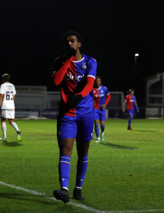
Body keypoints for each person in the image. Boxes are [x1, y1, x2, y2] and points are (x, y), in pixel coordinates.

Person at [52, 31, 97, 203]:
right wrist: (68, 61)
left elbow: (90, 84)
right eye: (67, 42)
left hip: (86, 113)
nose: (69, 44)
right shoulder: (59, 61)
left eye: (72, 41)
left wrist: (79, 96)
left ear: (79, 44)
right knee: (65, 151)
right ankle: (64, 190)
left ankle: (78, 188)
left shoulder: (91, 61)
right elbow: (56, 81)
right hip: (67, 113)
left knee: (83, 152)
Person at [0, 73, 21, 141]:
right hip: (12, 106)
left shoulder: (3, 85)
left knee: (3, 120)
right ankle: (18, 130)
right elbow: (14, 96)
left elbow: (1, 95)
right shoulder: (12, 85)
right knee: (11, 121)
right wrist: (11, 102)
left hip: (5, 106)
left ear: (3, 79)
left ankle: (4, 137)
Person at [93, 76, 111, 142]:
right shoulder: (93, 89)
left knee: (102, 125)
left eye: (99, 81)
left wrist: (105, 104)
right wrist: (92, 102)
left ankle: (102, 133)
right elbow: (90, 97)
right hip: (95, 109)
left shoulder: (104, 88)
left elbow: (109, 96)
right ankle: (98, 138)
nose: (98, 82)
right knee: (96, 123)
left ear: (100, 82)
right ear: (95, 82)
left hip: (102, 108)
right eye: (96, 81)